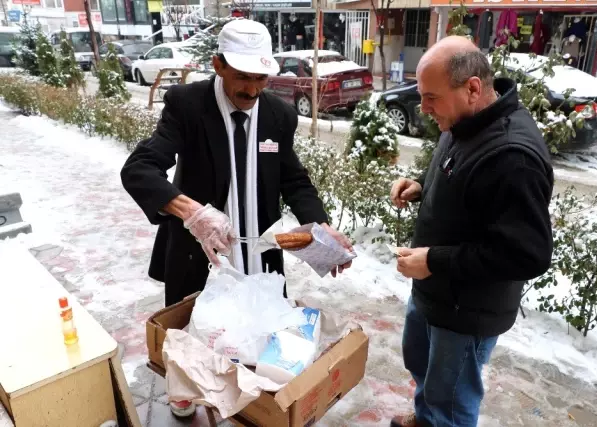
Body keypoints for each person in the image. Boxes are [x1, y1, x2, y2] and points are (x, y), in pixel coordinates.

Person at [120, 19, 352, 418]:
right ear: (218, 65)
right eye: (242, 77)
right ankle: (185, 395)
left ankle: (254, 406)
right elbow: (139, 169)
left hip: (257, 254)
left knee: (256, 340)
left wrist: (320, 227)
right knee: (192, 340)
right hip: (202, 254)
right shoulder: (187, 105)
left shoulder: (279, 116)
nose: (252, 89)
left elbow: (293, 179)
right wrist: (191, 212)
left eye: (260, 78)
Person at [389, 36, 554, 427]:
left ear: (473, 88)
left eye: (431, 97)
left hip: (466, 309)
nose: (423, 108)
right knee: (424, 370)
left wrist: (433, 259)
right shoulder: (465, 120)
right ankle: (424, 417)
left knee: (452, 400)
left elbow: (526, 253)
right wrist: (423, 189)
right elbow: (468, 185)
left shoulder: (513, 155)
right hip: (436, 293)